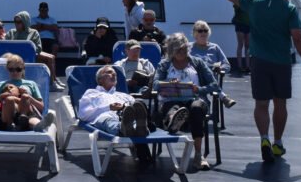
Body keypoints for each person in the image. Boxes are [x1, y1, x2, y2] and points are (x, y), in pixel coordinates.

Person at [214, 0, 301, 163]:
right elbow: (298, 38)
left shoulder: (253, 2)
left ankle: (264, 139)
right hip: (281, 62)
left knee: (261, 104)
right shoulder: (289, 9)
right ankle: (278, 142)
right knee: (280, 103)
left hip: (258, 61)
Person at [153, 33, 219, 171]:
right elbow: (155, 84)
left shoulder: (197, 63)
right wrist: (168, 83)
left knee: (196, 108)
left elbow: (214, 85)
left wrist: (198, 89)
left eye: (184, 49)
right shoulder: (165, 64)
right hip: (171, 99)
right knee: (173, 107)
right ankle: (174, 120)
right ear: (171, 50)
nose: (182, 52)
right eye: (178, 50)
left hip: (194, 98)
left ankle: (198, 155)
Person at [77, 65, 153, 165]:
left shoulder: (123, 95)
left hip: (124, 117)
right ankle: (125, 128)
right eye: (109, 72)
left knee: (136, 110)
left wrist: (125, 107)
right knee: (109, 120)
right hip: (104, 116)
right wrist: (108, 107)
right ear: (100, 80)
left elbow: (138, 110)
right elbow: (83, 115)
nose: (113, 74)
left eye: (115, 74)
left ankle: (138, 127)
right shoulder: (91, 93)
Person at [0, 54, 55, 132]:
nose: (14, 72)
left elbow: (41, 107)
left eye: (18, 69)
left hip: (25, 117)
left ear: (23, 69)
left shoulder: (31, 84)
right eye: (11, 69)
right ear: (7, 69)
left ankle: (38, 125)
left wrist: (29, 97)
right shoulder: (2, 84)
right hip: (4, 116)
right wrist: (1, 96)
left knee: (32, 116)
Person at [8, 11, 62, 89]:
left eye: (19, 22)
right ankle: (53, 80)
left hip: (30, 54)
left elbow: (38, 48)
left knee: (50, 58)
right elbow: (5, 44)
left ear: (25, 22)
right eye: (15, 22)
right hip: (14, 56)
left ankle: (52, 82)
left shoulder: (33, 32)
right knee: (49, 58)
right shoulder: (11, 32)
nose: (16, 24)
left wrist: (28, 49)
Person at [190, 21, 237, 109]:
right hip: (195, 78)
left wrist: (220, 68)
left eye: (205, 30)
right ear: (195, 33)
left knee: (207, 72)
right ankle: (223, 97)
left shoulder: (215, 48)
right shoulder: (188, 47)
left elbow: (227, 65)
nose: (203, 33)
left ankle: (204, 104)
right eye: (200, 31)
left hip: (210, 79)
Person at [231, 0, 251, 73]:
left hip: (246, 25)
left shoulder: (245, 2)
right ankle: (241, 66)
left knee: (246, 45)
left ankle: (246, 66)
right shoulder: (238, 3)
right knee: (242, 45)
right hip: (241, 24)